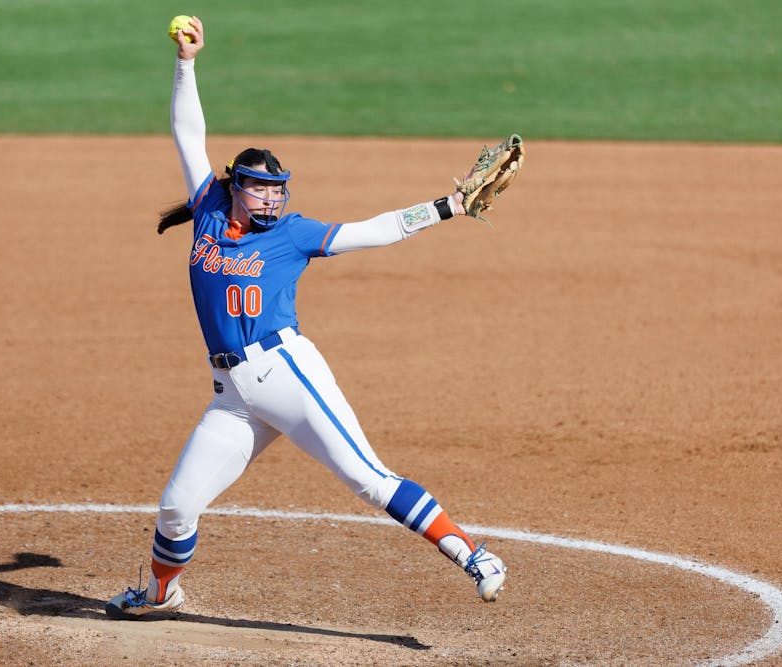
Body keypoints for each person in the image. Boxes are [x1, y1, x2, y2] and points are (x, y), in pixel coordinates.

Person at [106, 16, 506, 619]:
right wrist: (186, 63)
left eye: (278, 189)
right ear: (234, 187)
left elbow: (376, 231)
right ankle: (162, 593)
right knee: (177, 505)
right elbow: (189, 135)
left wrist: (447, 206)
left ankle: (474, 554)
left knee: (367, 478)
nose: (271, 198)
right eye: (260, 188)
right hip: (233, 396)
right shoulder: (209, 208)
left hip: (287, 375)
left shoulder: (295, 235)